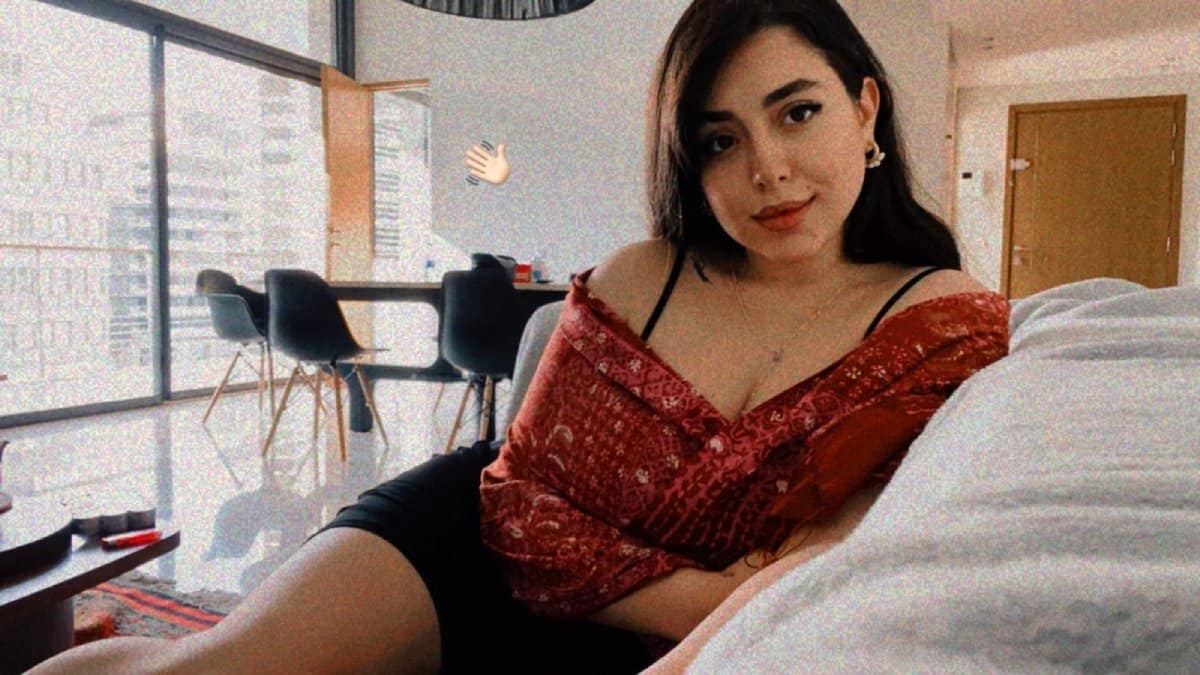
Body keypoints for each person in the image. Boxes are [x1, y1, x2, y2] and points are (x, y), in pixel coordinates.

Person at [30, 0, 1009, 673]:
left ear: (865, 109)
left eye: (797, 112)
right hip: (465, 545)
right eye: (721, 139)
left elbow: (838, 569)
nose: (769, 169)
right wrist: (713, 589)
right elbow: (515, 502)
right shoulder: (642, 276)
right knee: (212, 669)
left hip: (665, 637)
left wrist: (659, 590)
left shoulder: (940, 325)